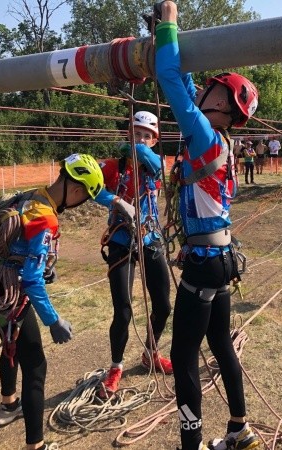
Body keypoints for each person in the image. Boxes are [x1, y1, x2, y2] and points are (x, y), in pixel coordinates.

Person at [155, 3, 261, 450]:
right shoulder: (220, 140)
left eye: (211, 88)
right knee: (220, 343)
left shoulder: (202, 134)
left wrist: (169, 23)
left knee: (183, 357)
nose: (203, 91)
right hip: (219, 257)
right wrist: (166, 36)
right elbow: (184, 82)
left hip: (204, 262)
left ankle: (192, 444)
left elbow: (169, 75)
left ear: (221, 103)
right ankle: (239, 428)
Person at [0, 154, 130, 450]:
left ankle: (8, 404)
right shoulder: (45, 218)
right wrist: (53, 321)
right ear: (76, 190)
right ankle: (36, 445)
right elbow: (31, 279)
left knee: (11, 345)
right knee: (35, 365)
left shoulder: (32, 197)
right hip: (13, 294)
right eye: (84, 197)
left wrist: (41, 265)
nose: (81, 202)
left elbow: (21, 247)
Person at [96, 111, 173, 398]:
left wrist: (134, 148)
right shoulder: (113, 167)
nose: (140, 139)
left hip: (150, 238)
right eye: (135, 134)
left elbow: (155, 164)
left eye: (146, 136)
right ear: (128, 134)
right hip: (120, 240)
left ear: (154, 141)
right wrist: (116, 199)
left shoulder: (155, 165)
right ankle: (115, 368)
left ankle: (150, 352)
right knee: (123, 310)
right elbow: (91, 188)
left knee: (163, 305)